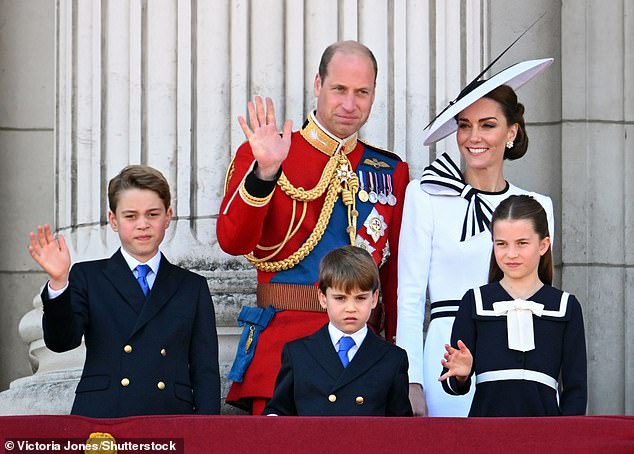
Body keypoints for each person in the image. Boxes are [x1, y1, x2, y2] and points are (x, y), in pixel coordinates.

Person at [217, 40, 409, 414]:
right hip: (282, 354)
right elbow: (232, 240)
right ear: (318, 84)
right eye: (339, 89)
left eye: (362, 92)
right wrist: (266, 173)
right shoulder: (268, 153)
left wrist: (400, 355)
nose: (350, 105)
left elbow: (396, 277)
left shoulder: (389, 170)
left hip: (363, 360)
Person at [396, 58, 556, 416]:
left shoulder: (537, 207)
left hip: (519, 355)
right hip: (446, 353)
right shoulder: (425, 195)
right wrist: (411, 379)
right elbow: (409, 297)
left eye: (488, 125)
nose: (474, 137)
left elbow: (543, 301)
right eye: (464, 125)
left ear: (511, 132)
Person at [28, 165, 221, 418]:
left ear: (168, 216)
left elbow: (205, 370)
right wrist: (58, 283)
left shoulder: (191, 286)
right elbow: (62, 342)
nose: (143, 225)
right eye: (131, 216)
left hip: (170, 417)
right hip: (104, 415)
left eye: (152, 214)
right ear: (113, 220)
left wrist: (205, 433)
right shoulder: (88, 277)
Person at [439, 195, 587, 416]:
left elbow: (576, 390)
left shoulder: (566, 306)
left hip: (545, 437)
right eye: (501, 244)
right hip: (486, 434)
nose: (511, 254)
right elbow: (451, 382)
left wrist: (565, 440)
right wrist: (461, 375)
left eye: (522, 243)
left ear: (543, 245)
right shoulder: (474, 301)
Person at [263, 246, 412, 416]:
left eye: (360, 298)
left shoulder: (393, 359)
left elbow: (400, 428)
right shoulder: (298, 354)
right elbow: (278, 412)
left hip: (367, 442)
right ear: (323, 298)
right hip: (312, 442)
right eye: (340, 298)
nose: (351, 308)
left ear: (374, 298)